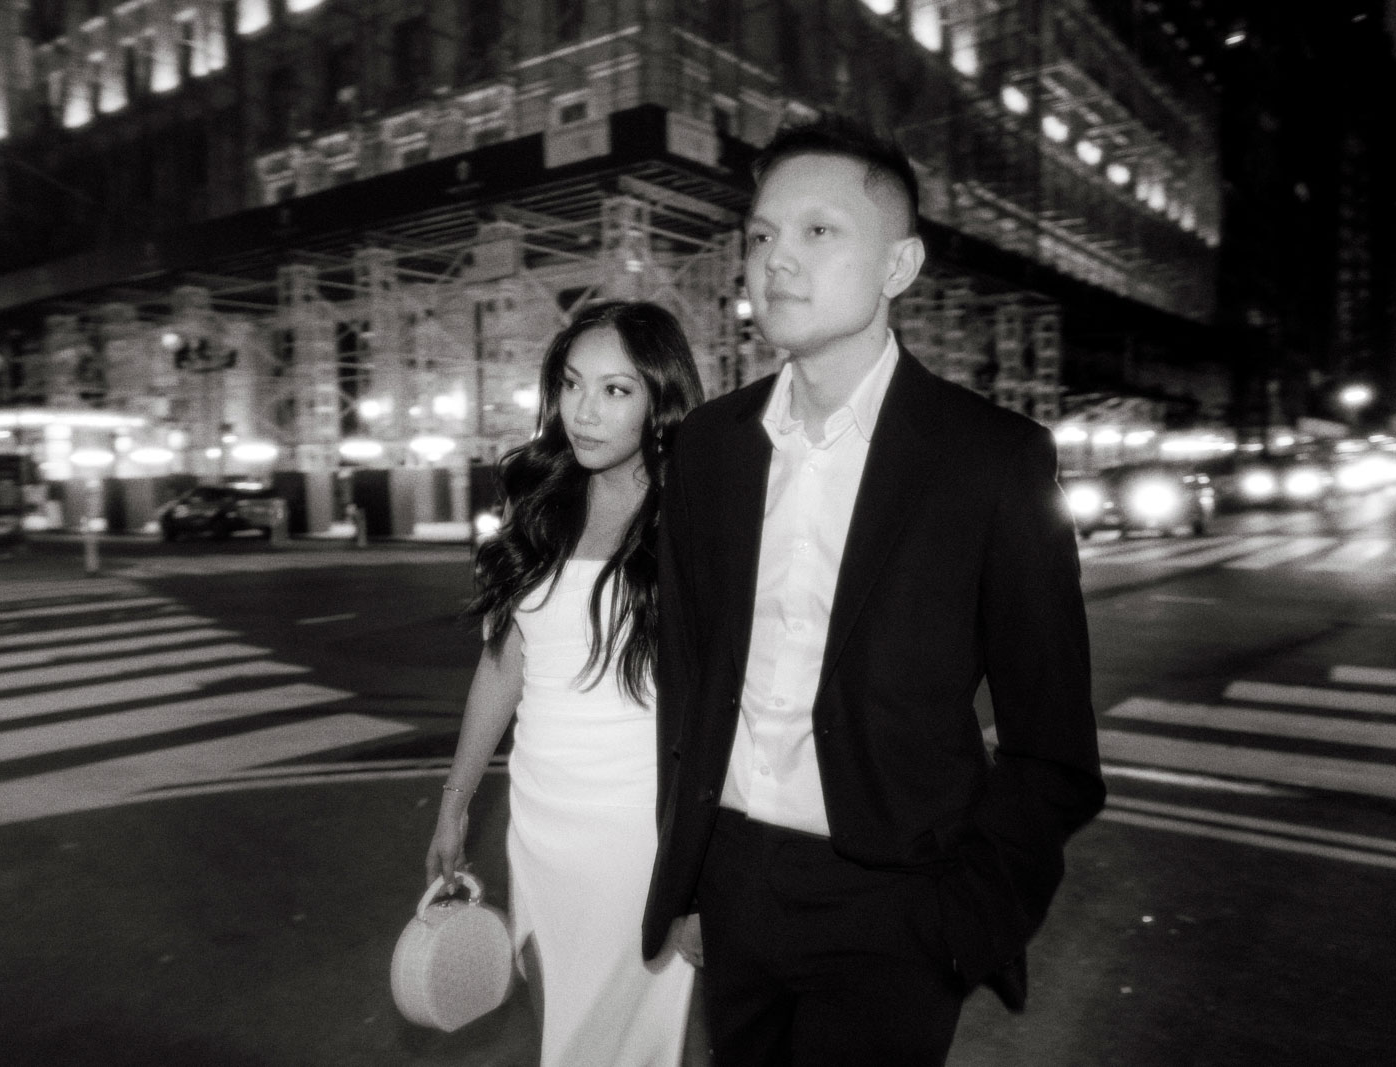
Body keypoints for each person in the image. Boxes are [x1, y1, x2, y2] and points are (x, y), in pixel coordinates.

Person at [642, 118, 1107, 1066]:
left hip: (895, 902)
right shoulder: (709, 447)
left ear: (899, 265)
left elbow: (1053, 745)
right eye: (763, 235)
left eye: (821, 232)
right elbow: (690, 681)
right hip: (734, 884)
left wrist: (960, 920)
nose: (778, 260)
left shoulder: (989, 459)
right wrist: (690, 875)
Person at [427, 300, 706, 1066]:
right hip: (540, 825)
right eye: (573, 384)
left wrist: (705, 875)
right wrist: (456, 803)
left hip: (640, 839)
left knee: (618, 1042)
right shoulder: (539, 501)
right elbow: (504, 665)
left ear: (660, 398)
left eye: (616, 390)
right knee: (558, 1023)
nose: (583, 411)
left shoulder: (696, 517)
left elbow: (730, 703)